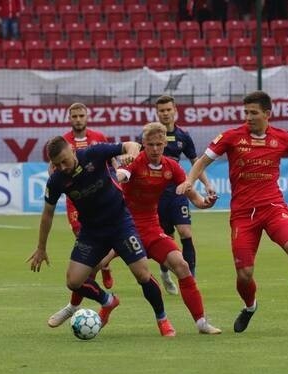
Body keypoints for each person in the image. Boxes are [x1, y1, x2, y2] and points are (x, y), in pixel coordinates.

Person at [176, 90, 288, 332]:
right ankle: (250, 306)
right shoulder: (231, 137)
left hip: (273, 207)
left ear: (267, 114)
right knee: (244, 274)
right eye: (246, 113)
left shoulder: (282, 138)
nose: (248, 117)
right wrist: (190, 180)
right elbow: (202, 161)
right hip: (243, 214)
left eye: (253, 113)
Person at [28, 137, 177, 337]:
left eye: (65, 161)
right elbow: (48, 214)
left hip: (120, 224)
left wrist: (131, 155)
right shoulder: (57, 180)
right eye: (57, 164)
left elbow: (130, 145)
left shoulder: (93, 153)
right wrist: (41, 247)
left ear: (72, 150)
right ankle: (108, 301)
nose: (62, 167)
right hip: (91, 232)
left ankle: (162, 320)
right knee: (73, 281)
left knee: (142, 275)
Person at [118, 122, 222, 335]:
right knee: (91, 268)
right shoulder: (135, 162)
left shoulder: (171, 167)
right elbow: (120, 175)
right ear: (143, 144)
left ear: (165, 143)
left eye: (159, 144)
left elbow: (194, 197)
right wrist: (120, 169)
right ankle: (94, 305)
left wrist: (205, 202)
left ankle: (201, 323)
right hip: (123, 227)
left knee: (182, 266)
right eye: (150, 145)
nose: (155, 149)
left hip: (150, 228)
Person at [45, 103, 117, 328]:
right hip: (77, 204)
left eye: (81, 115)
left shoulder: (98, 138)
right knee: (88, 257)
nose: (77, 119)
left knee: (91, 260)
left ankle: (75, 305)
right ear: (69, 118)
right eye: (74, 116)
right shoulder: (62, 142)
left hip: (105, 202)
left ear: (87, 116)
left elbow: (112, 163)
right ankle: (85, 295)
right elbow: (53, 172)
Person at [147, 95, 215, 296]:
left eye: (168, 110)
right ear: (157, 113)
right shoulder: (150, 137)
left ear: (175, 110)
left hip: (177, 192)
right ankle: (165, 272)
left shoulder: (183, 136)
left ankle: (190, 279)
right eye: (161, 111)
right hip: (156, 196)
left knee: (185, 232)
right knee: (166, 238)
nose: (165, 113)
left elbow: (197, 163)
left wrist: (207, 184)